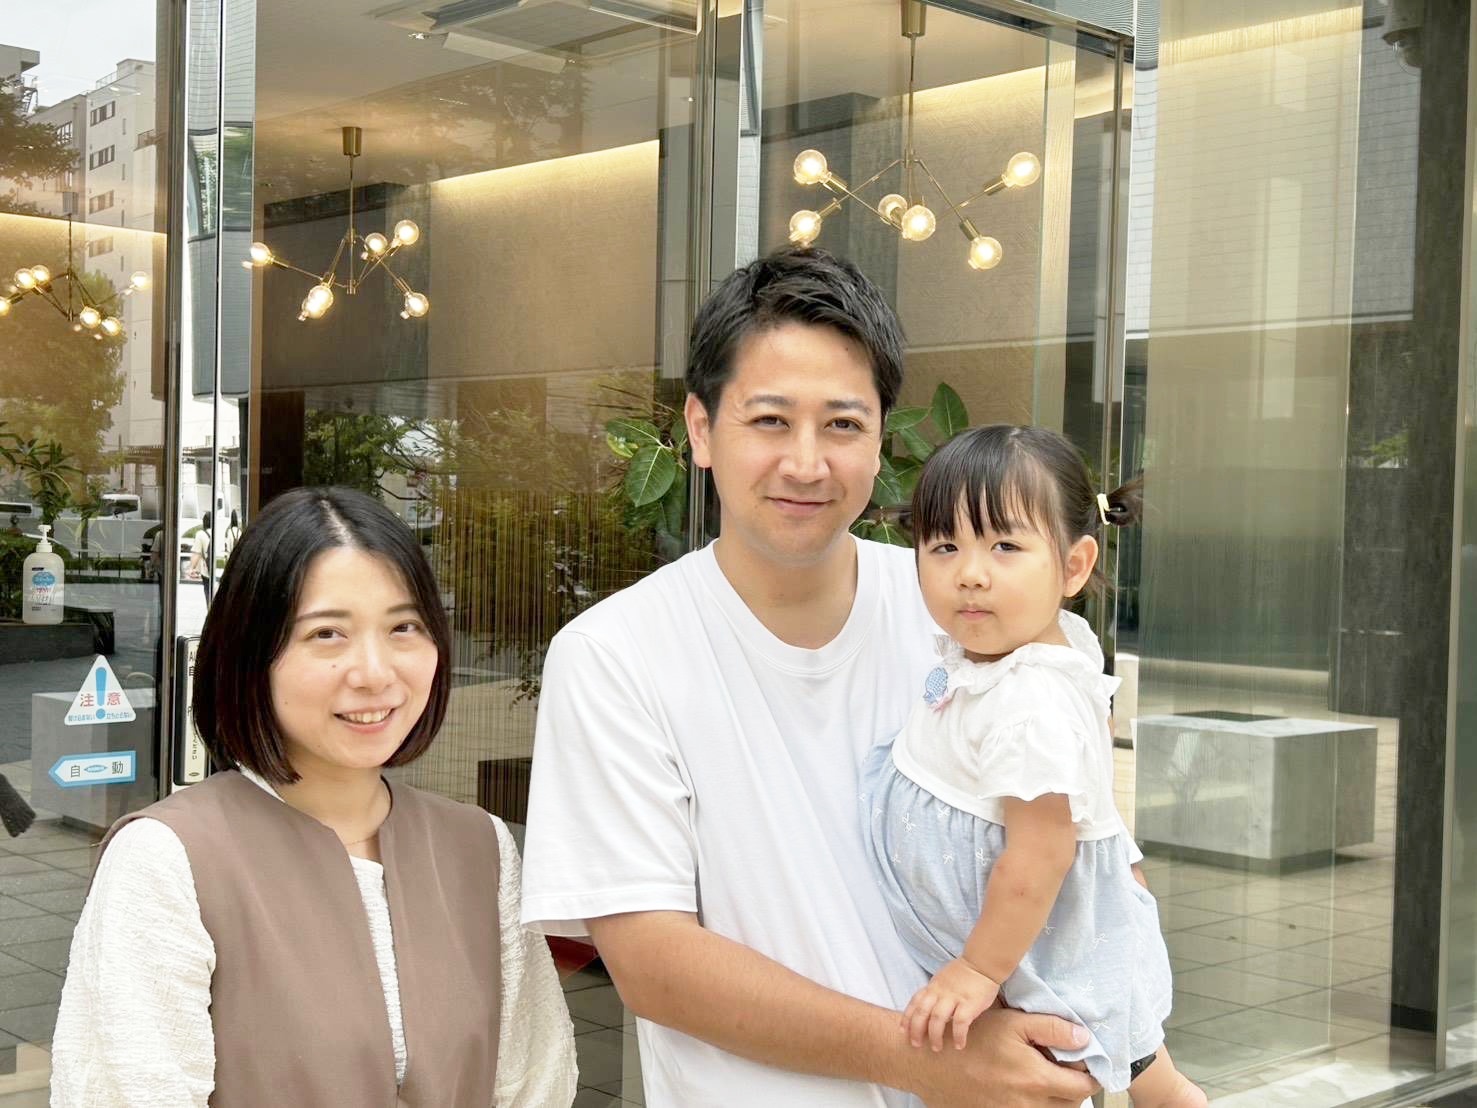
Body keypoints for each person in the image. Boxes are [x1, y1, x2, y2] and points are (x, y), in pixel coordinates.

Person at [521, 247, 1098, 1107]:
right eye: (768, 420)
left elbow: (1078, 852)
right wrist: (927, 1062)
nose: (805, 463)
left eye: (841, 425)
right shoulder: (615, 654)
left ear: (880, 437)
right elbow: (650, 962)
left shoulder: (970, 618)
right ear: (700, 429)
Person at [53, 486, 577, 1107]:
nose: (375, 673)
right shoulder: (168, 859)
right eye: (328, 634)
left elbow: (534, 1086)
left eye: (404, 627)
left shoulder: (479, 847)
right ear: (252, 654)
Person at [861, 426, 1203, 1106]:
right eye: (944, 546)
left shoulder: (1029, 703)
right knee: (1144, 1069)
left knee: (1072, 1074)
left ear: (1073, 567)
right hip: (1026, 937)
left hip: (1033, 948)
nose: (970, 572)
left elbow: (1041, 854)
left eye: (1005, 547)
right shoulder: (1030, 648)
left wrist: (976, 970)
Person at [187, 509, 213, 600]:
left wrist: (191, 569)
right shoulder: (220, 532)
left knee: (209, 598)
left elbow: (196, 554)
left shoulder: (201, 534)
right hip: (223, 573)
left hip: (208, 572)